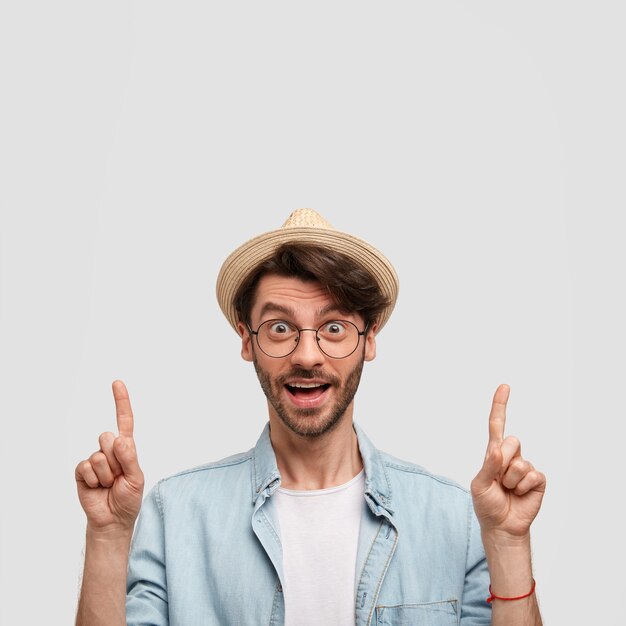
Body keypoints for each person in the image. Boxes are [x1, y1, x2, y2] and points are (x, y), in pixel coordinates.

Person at [75, 208, 546, 626]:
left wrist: (507, 544)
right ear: (246, 340)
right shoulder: (174, 514)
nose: (306, 355)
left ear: (369, 338)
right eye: (279, 328)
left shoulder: (454, 518)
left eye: (334, 328)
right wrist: (108, 534)